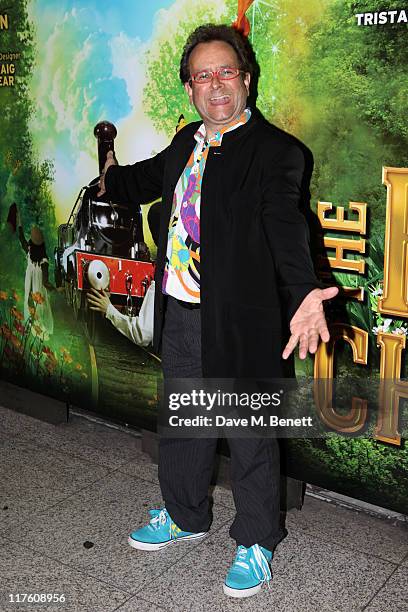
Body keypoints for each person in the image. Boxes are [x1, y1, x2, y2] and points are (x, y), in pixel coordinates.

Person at [98, 24, 338, 599]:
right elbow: (147, 178)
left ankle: (256, 539)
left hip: (242, 316)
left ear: (247, 79)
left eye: (226, 71)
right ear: (190, 89)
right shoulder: (188, 141)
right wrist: (109, 179)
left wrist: (304, 290)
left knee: (251, 432)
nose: (216, 84)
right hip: (183, 309)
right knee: (185, 421)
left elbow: (286, 223)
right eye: (203, 75)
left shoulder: (277, 152)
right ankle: (184, 515)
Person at [16, 208, 54, 339]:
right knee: (40, 307)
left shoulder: (29, 251)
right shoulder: (44, 260)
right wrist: (54, 289)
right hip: (38, 287)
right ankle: (38, 331)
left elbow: (21, 238)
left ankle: (32, 329)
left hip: (30, 283)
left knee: (30, 303)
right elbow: (45, 281)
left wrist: (19, 222)